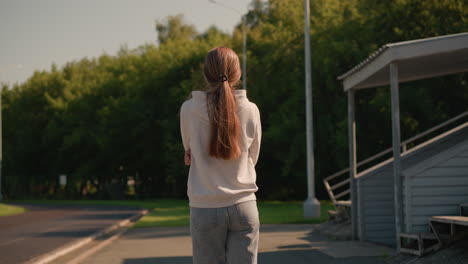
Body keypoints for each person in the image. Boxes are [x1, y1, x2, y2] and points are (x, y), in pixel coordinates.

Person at [179, 46, 262, 264]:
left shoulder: (188, 109)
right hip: (244, 206)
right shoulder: (251, 109)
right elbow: (253, 157)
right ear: (237, 73)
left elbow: (189, 149)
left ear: (206, 74)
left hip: (204, 208)